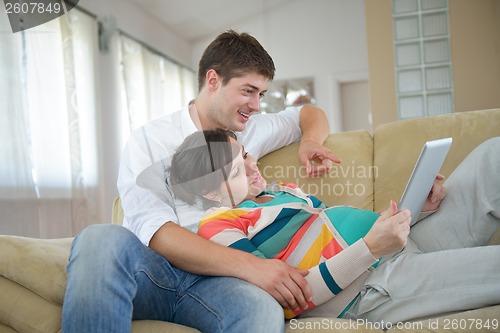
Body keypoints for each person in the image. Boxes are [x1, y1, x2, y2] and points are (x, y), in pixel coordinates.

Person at [62, 29, 341, 333]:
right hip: (156, 275)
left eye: (260, 94)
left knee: (260, 308)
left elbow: (308, 113)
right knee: (99, 238)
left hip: (221, 286)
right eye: (248, 91)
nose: (257, 105)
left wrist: (310, 141)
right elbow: (158, 233)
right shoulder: (150, 139)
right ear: (213, 80)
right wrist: (255, 267)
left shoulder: (251, 128)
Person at [169, 129, 500, 326]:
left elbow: (347, 230)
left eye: (246, 155)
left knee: (492, 155)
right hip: (371, 285)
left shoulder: (277, 193)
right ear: (211, 192)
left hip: (403, 242)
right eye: (239, 168)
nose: (254, 167)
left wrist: (414, 211)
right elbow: (288, 300)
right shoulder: (219, 227)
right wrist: (371, 248)